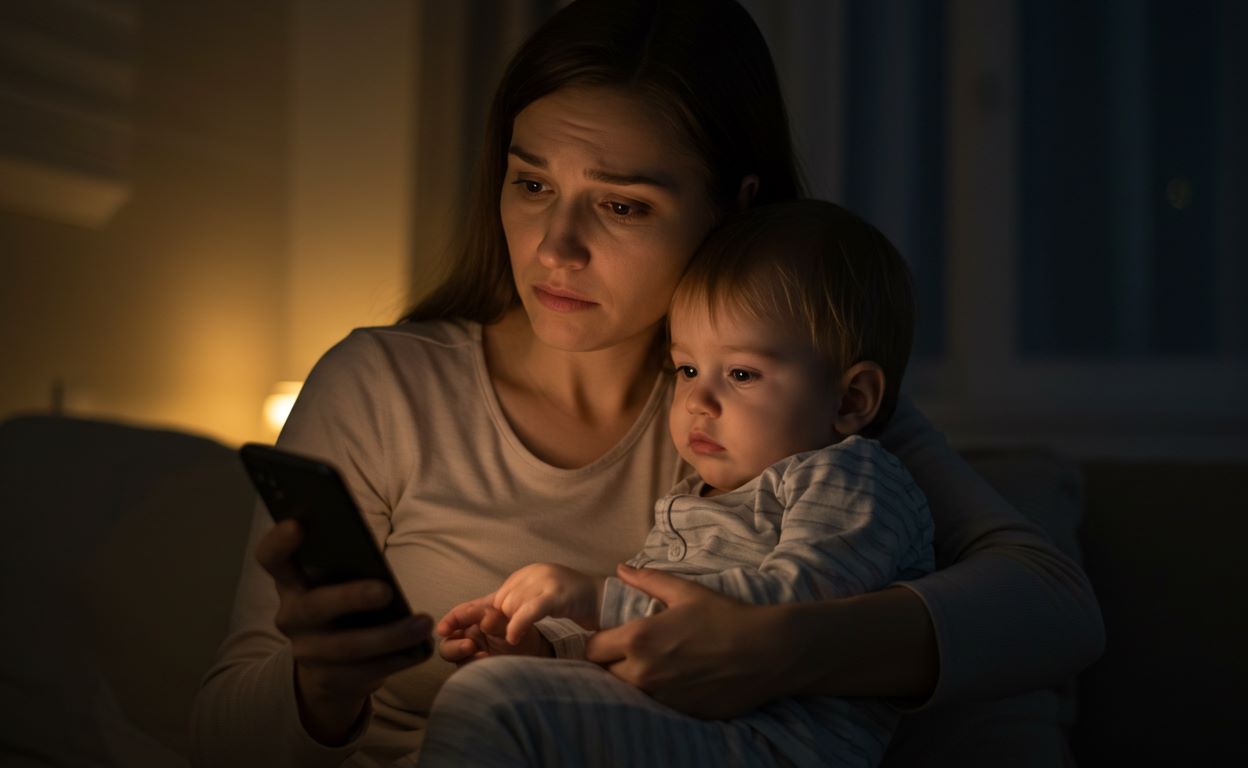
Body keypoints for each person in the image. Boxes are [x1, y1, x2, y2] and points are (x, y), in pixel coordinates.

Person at [189, 1, 1104, 767]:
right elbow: (222, 729)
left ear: (736, 206)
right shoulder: (381, 388)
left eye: (622, 205)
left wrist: (774, 649)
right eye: (531, 184)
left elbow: (1054, 606)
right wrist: (321, 687)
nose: (555, 248)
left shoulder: (782, 406)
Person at [422, 199, 936, 767]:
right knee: (498, 691)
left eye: (741, 374)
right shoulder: (692, 498)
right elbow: (648, 645)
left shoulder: (848, 477)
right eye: (687, 369)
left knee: (492, 706)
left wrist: (598, 599)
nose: (697, 400)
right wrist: (544, 647)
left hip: (771, 742)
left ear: (851, 399)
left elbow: (790, 613)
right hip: (686, 721)